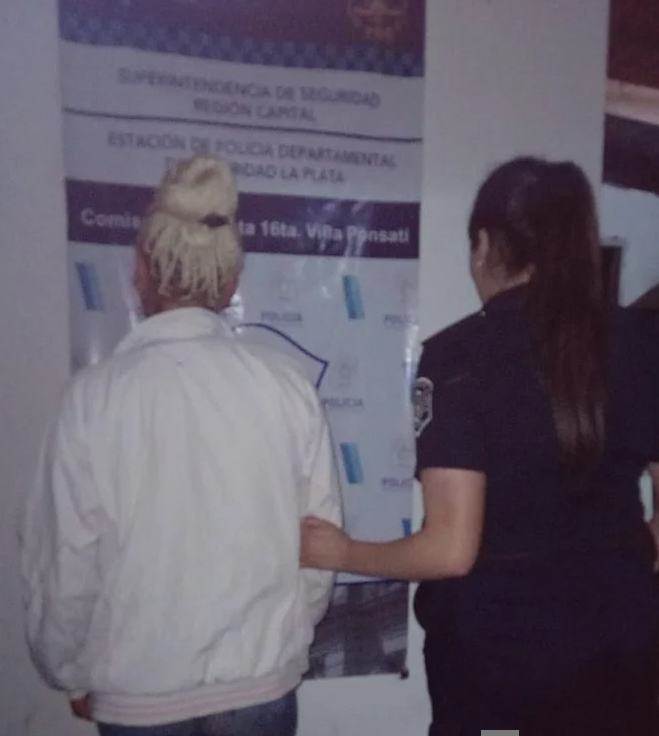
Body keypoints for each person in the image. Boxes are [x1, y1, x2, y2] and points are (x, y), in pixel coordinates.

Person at [301, 156, 659, 735]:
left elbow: (450, 550)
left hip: (497, 657)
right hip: (619, 641)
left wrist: (343, 553)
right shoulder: (641, 343)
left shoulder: (459, 356)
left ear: (485, 245)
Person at [21, 155, 342, 736]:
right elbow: (319, 549)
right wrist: (282, 642)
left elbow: (64, 564)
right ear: (232, 281)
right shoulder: (287, 388)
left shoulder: (91, 401)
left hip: (137, 697)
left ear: (140, 272)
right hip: (260, 690)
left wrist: (72, 673)